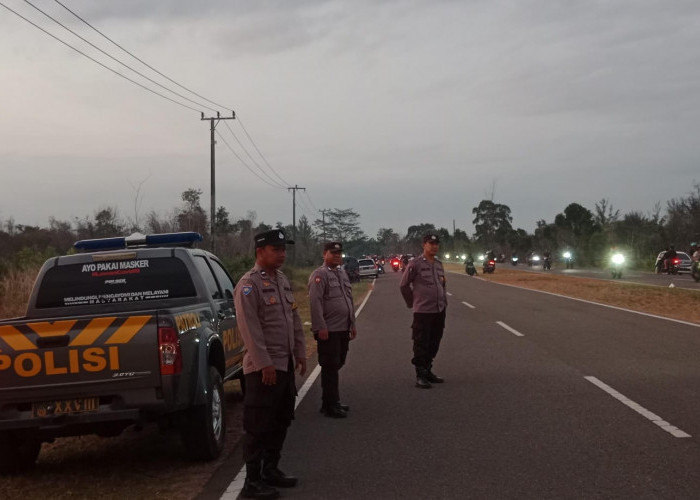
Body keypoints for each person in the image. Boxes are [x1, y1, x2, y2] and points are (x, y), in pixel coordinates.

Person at [234, 229, 307, 500]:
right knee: (258, 425)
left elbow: (294, 319)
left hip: (284, 364)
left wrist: (300, 352)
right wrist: (264, 364)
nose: (282, 254)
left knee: (281, 419)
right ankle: (251, 483)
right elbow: (250, 329)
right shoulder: (248, 285)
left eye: (284, 249)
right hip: (263, 369)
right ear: (260, 252)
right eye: (276, 249)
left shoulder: (282, 281)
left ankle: (270, 470)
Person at [308, 242, 357, 418]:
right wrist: (320, 326)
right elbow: (315, 303)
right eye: (333, 253)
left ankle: (329, 401)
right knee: (330, 367)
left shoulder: (342, 273)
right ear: (324, 254)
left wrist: (352, 324)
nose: (337, 255)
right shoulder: (319, 275)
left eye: (339, 253)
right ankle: (331, 404)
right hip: (329, 330)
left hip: (343, 328)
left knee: (337, 363)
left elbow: (348, 299)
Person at [399, 233, 447, 389]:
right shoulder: (415, 264)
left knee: (435, 341)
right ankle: (420, 374)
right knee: (421, 342)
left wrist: (443, 299)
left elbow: (442, 285)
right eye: (431, 243)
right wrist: (412, 303)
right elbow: (404, 285)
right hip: (423, 312)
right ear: (423, 245)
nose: (434, 246)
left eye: (436, 244)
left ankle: (428, 370)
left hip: (439, 309)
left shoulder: (439, 264)